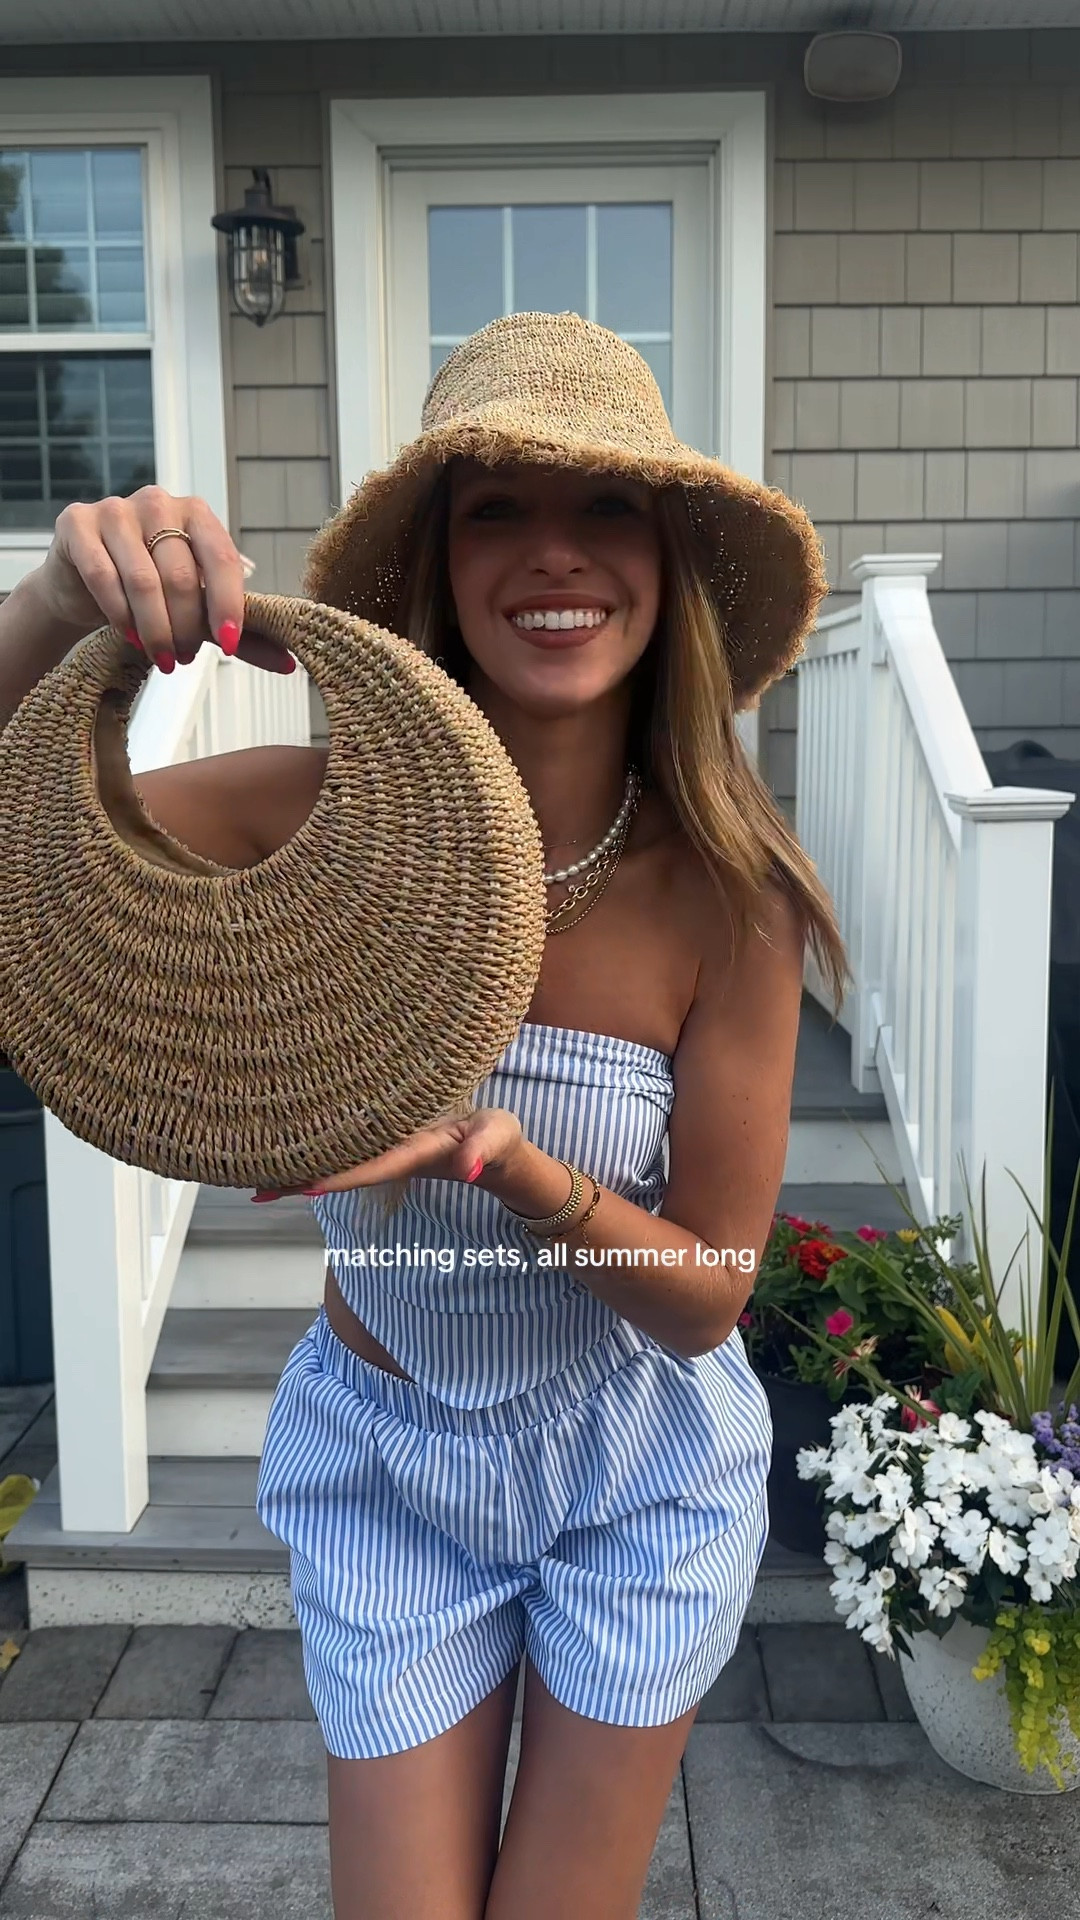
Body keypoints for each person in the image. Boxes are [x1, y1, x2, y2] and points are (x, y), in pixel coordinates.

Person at [0, 311, 848, 1920]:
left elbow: (713, 1295)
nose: (555, 557)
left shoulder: (727, 898)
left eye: (605, 508)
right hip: (390, 1460)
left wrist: (500, 1155)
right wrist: (57, 604)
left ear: (666, 561)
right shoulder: (293, 815)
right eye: (496, 510)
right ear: (443, 561)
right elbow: (28, 843)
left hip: (636, 1465)